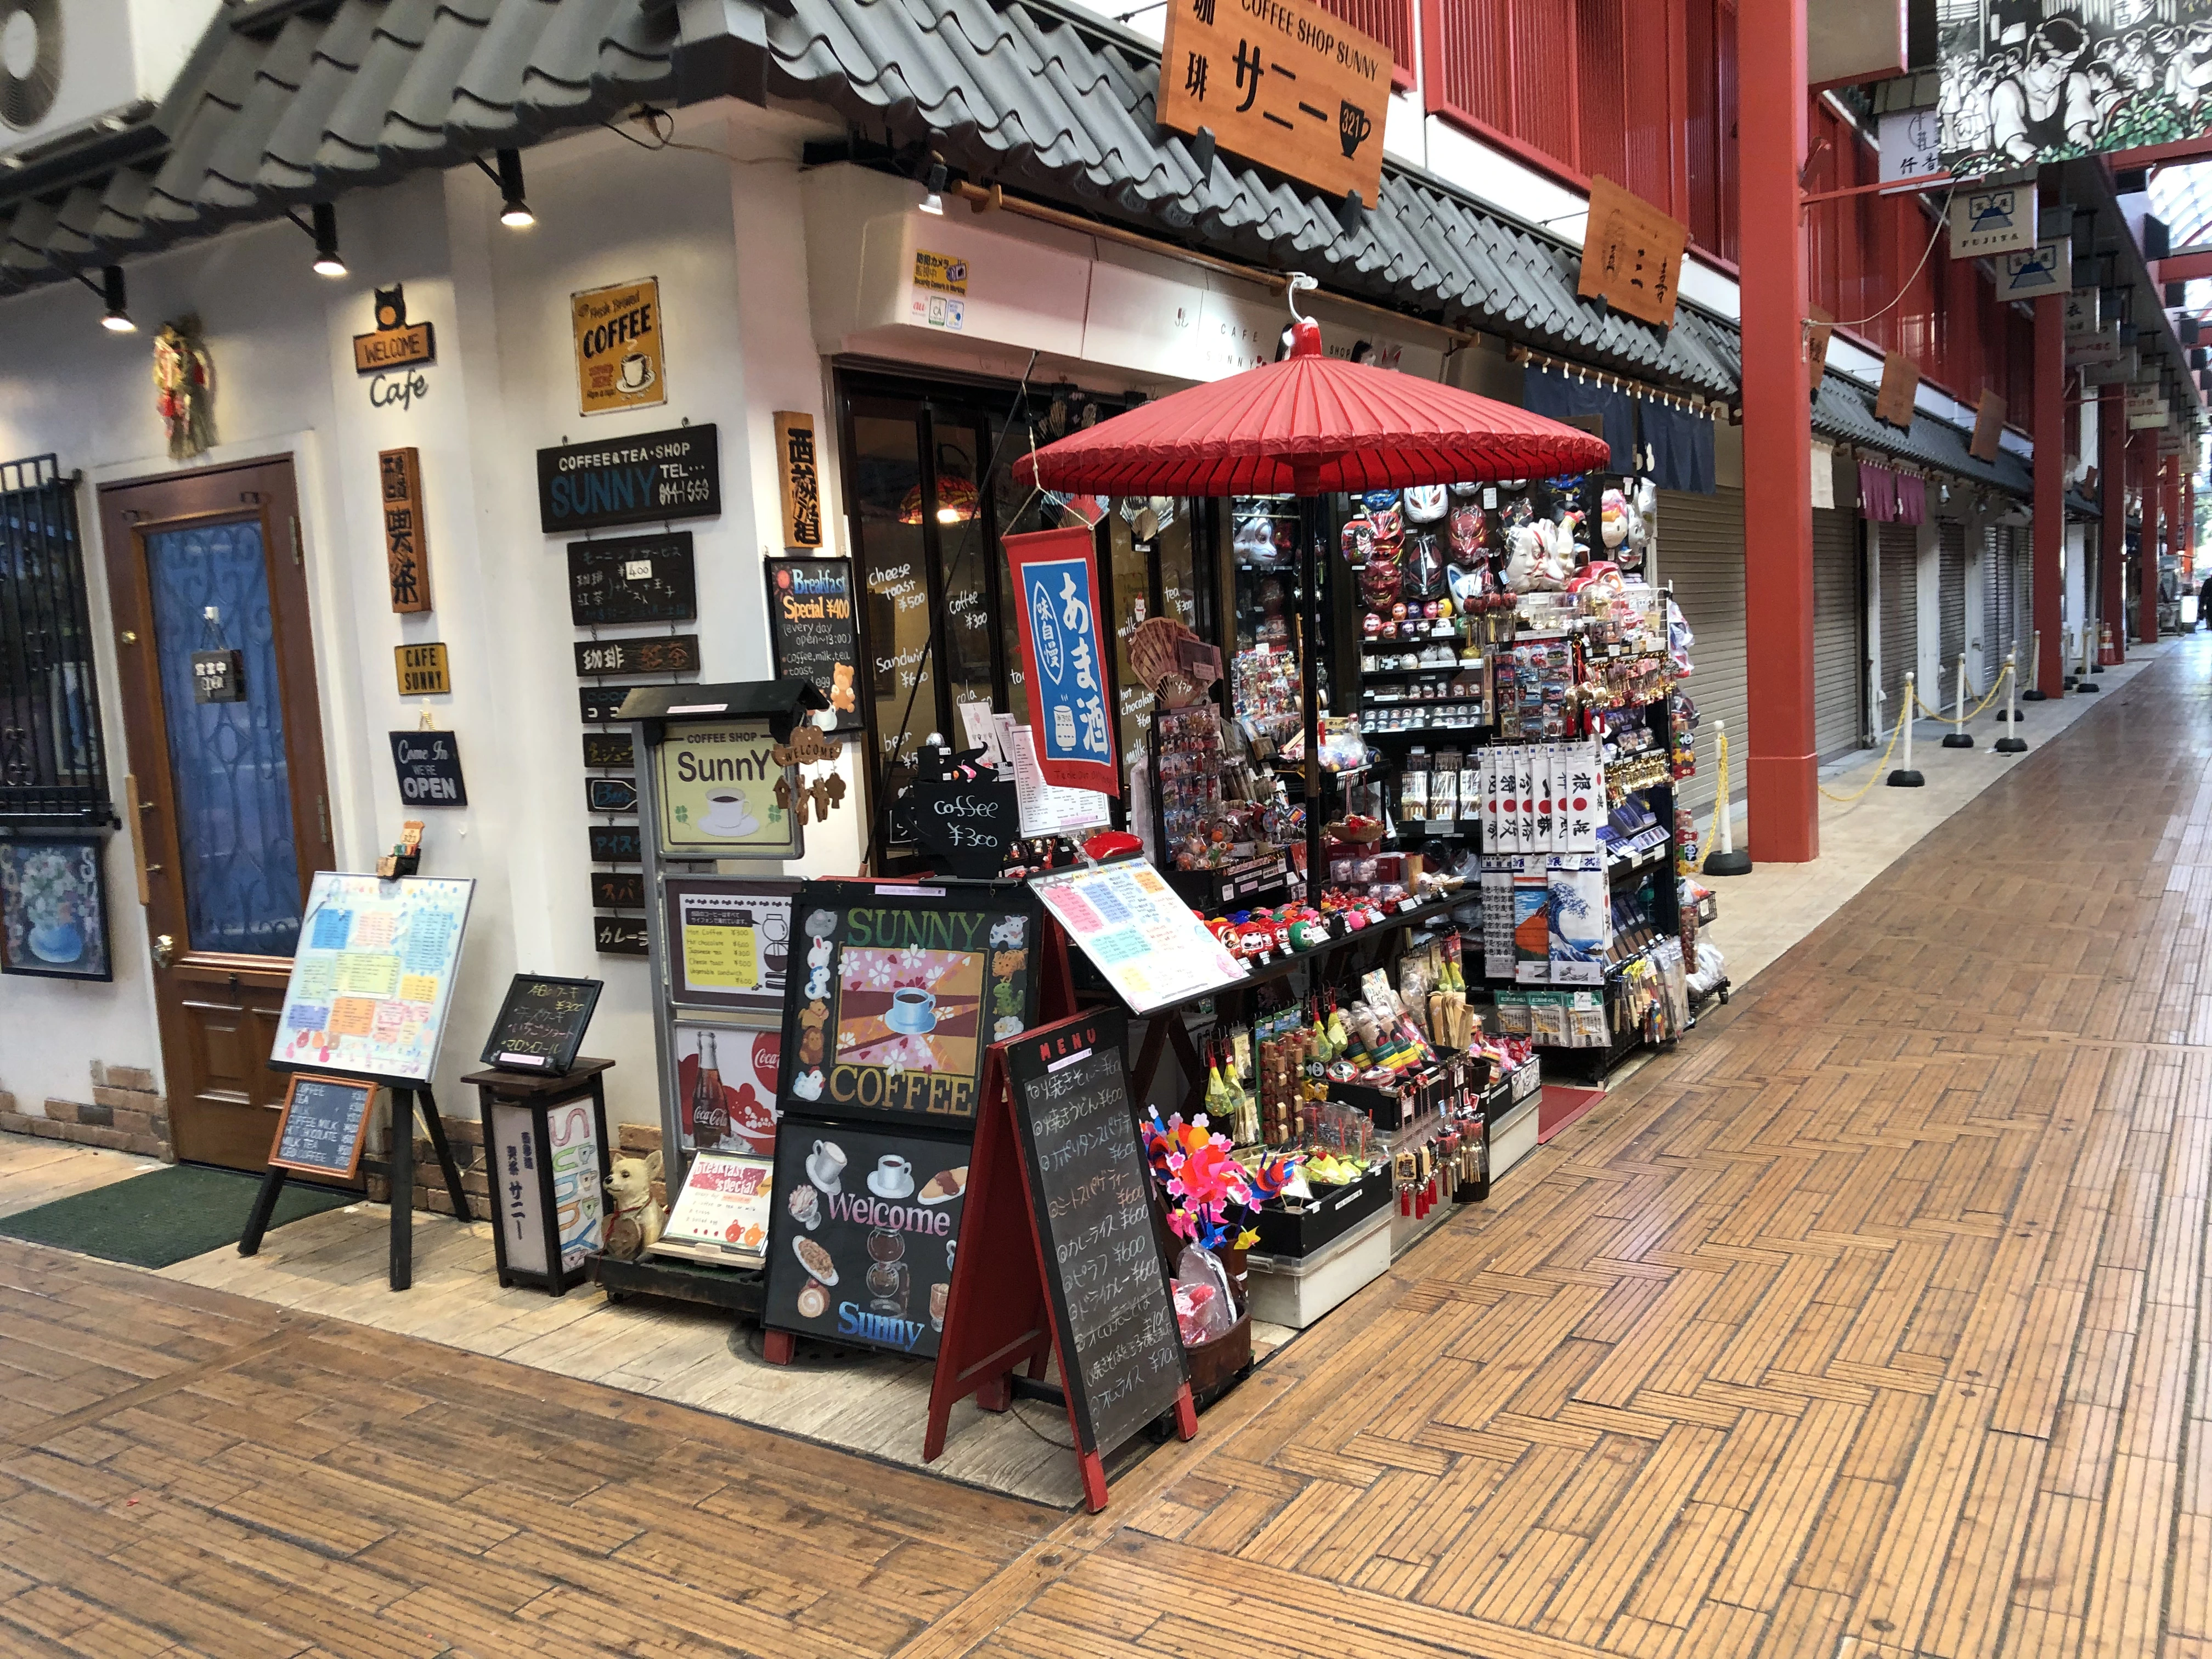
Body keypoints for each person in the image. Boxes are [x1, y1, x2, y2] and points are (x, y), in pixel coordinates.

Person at [1987, 17, 2096, 160]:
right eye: (2054, 68)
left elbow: (2079, 135)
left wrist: (2082, 140)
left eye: (2064, 71)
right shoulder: (2009, 91)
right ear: (2035, 61)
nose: (2059, 78)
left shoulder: (2075, 82)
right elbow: (2015, 147)